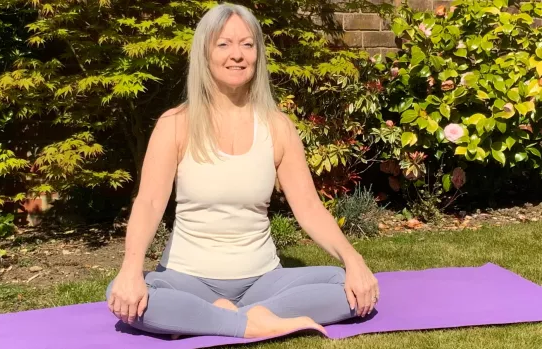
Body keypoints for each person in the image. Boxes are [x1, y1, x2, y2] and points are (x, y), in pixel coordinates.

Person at [106, 3, 379, 339]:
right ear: (204, 54)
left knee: (346, 286)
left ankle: (208, 320)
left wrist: (354, 261)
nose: (237, 55)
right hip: (186, 279)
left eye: (247, 45)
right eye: (223, 44)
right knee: (122, 296)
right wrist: (130, 271)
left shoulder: (277, 127)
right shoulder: (175, 124)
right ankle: (247, 323)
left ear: (257, 55)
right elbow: (148, 203)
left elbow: (308, 207)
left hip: (262, 281)